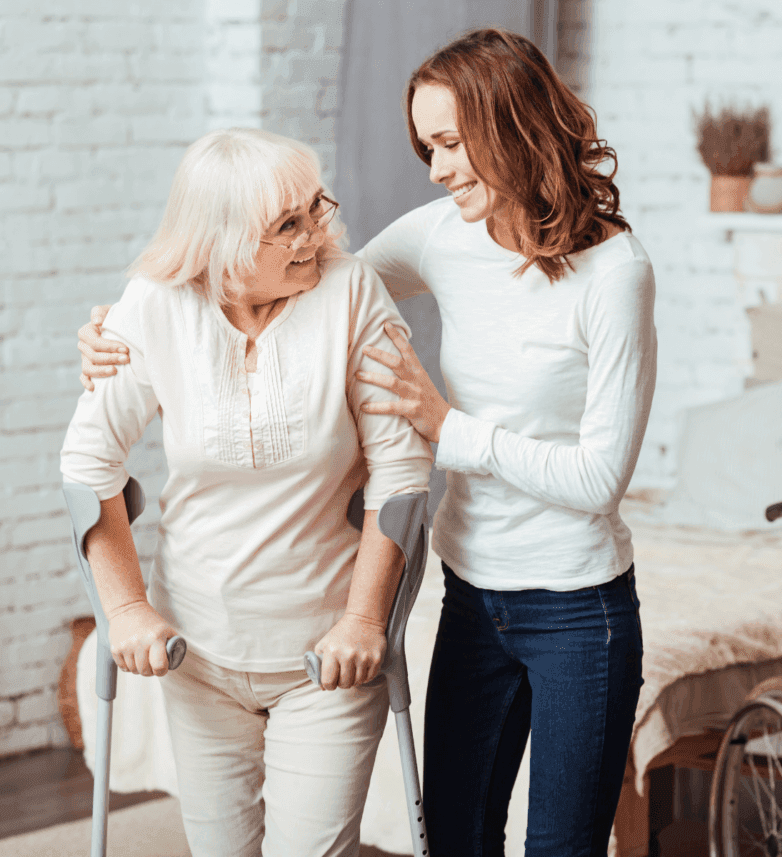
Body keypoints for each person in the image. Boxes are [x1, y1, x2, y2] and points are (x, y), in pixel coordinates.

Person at [77, 28, 656, 857]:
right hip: (472, 595)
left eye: (452, 142)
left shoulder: (616, 273)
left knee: (561, 846)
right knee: (456, 838)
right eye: (428, 146)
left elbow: (599, 478)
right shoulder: (445, 233)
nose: (437, 168)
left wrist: (446, 426)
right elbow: (313, 281)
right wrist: (123, 329)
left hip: (577, 605)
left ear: (513, 125)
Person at [63, 127, 433, 857]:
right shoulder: (155, 306)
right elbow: (87, 464)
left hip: (326, 653)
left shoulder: (350, 290)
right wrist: (128, 608)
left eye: (314, 210)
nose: (315, 237)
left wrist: (364, 620)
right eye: (287, 226)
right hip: (196, 649)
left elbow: (401, 472)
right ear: (223, 243)